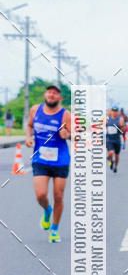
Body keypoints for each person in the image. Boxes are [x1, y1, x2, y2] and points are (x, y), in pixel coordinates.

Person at [26, 83, 71, 242]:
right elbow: (30, 125)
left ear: (60, 97)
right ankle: (47, 210)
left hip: (60, 161)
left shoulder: (66, 115)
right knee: (41, 195)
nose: (52, 95)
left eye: (55, 93)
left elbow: (76, 135)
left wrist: (68, 135)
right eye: (49, 92)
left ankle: (54, 229)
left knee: (58, 196)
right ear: (45, 95)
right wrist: (29, 137)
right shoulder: (35, 110)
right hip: (41, 159)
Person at [106, 106, 125, 173]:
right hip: (109, 139)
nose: (114, 113)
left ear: (118, 112)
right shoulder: (107, 118)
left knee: (116, 155)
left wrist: (122, 126)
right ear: (111, 112)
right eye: (113, 111)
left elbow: (123, 131)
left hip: (117, 139)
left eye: (115, 111)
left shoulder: (120, 119)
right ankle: (111, 160)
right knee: (111, 152)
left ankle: (115, 166)